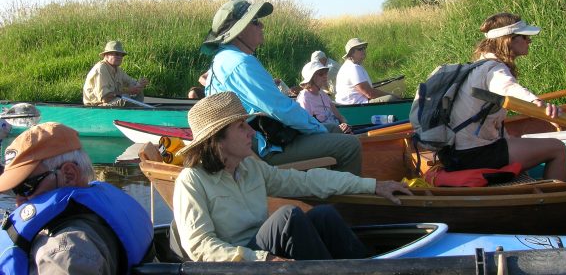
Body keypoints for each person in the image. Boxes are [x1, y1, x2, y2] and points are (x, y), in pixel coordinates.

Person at [171, 92, 412, 262]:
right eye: (241, 127)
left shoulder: (251, 169)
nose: (252, 132)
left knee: (325, 215)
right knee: (287, 218)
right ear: (218, 141)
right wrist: (263, 259)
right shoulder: (192, 181)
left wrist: (372, 185)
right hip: (238, 265)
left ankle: (369, 268)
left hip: (260, 252)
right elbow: (200, 247)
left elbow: (308, 181)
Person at [201, 0, 362, 175]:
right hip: (262, 148)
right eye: (255, 22)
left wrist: (319, 128)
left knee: (332, 129)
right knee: (349, 146)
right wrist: (318, 128)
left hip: (257, 138)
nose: (261, 25)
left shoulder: (224, 58)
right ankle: (345, 200)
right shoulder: (241, 63)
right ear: (239, 31)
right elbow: (280, 108)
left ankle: (324, 188)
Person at [0, 122, 154, 274]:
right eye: (15, 190)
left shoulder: (63, 254)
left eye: (26, 187)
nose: (18, 201)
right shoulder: (98, 204)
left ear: (69, 175)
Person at [438, 13, 566, 181]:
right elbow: (510, 89)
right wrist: (539, 105)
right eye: (525, 36)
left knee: (514, 140)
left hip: (455, 153)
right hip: (474, 154)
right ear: (509, 39)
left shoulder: (478, 66)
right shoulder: (493, 69)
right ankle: (555, 204)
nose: (530, 41)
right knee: (558, 148)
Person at [335, 38, 401, 105]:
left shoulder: (352, 66)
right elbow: (369, 93)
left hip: (355, 104)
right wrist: (392, 95)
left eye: (364, 48)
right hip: (354, 106)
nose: (364, 50)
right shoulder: (353, 68)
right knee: (391, 99)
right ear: (351, 53)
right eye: (360, 49)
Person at [83, 40, 149, 106]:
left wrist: (139, 84)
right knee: (125, 99)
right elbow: (105, 98)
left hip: (110, 102)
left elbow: (131, 82)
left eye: (122, 55)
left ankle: (139, 112)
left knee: (138, 93)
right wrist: (128, 91)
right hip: (97, 106)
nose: (120, 57)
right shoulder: (101, 69)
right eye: (116, 54)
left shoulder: (118, 70)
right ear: (106, 55)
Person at [297, 61, 352, 134]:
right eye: (321, 74)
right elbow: (308, 126)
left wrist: (345, 124)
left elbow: (340, 117)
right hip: (325, 136)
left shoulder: (323, 94)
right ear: (312, 78)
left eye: (326, 73)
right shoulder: (305, 97)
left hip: (338, 133)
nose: (325, 76)